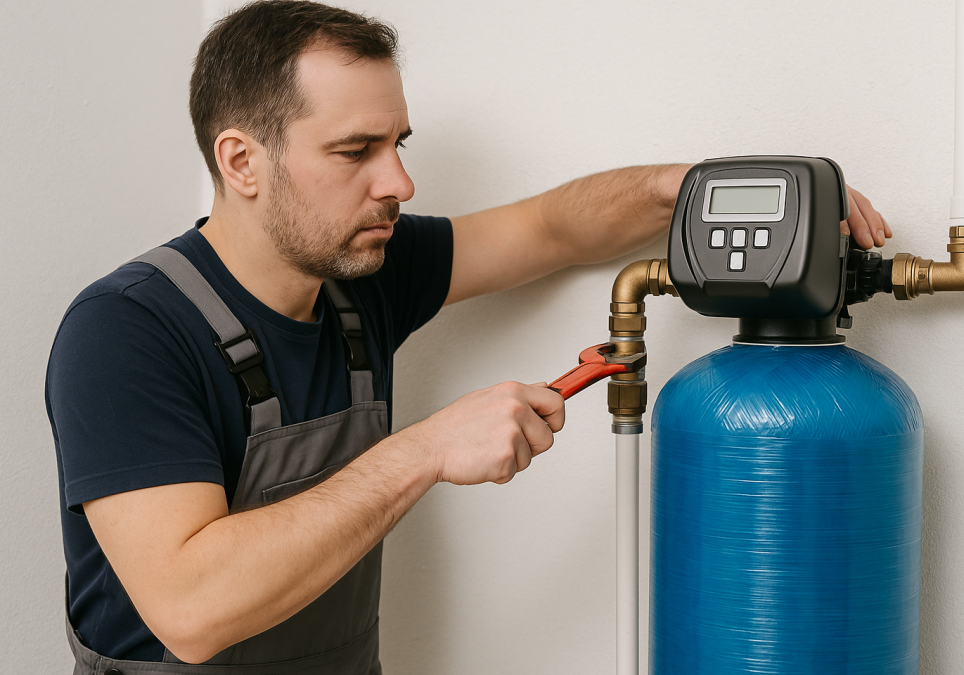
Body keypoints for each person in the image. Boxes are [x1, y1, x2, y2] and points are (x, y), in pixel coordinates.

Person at [45, 1, 891, 673]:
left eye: (397, 143)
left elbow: (550, 229)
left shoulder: (362, 277)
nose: (400, 181)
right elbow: (192, 609)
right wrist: (425, 449)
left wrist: (693, 188)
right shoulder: (126, 330)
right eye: (356, 150)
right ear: (241, 162)